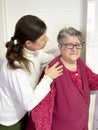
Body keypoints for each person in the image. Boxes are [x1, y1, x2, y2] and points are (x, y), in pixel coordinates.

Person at [26, 27, 98, 130]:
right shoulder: (53, 70)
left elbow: (93, 81)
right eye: (69, 45)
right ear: (60, 47)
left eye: (77, 45)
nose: (74, 49)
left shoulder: (80, 63)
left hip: (81, 125)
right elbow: (42, 112)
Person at [0, 15, 63, 130]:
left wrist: (64, 47)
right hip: (9, 121)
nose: (47, 40)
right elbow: (29, 104)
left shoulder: (33, 52)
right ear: (28, 43)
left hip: (22, 113)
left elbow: (50, 58)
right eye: (43, 39)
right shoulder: (16, 69)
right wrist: (48, 78)